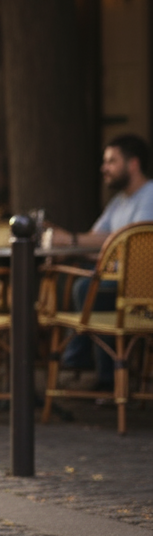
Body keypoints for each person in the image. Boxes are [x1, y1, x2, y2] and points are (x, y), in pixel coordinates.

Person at [48, 134, 153, 390]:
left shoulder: (150, 195)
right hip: (115, 278)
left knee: (85, 288)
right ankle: (81, 357)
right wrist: (66, 243)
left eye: (111, 161)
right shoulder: (119, 201)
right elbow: (97, 239)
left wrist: (68, 239)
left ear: (133, 165)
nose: (104, 168)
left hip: (141, 287)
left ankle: (99, 371)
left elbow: (128, 239)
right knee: (73, 278)